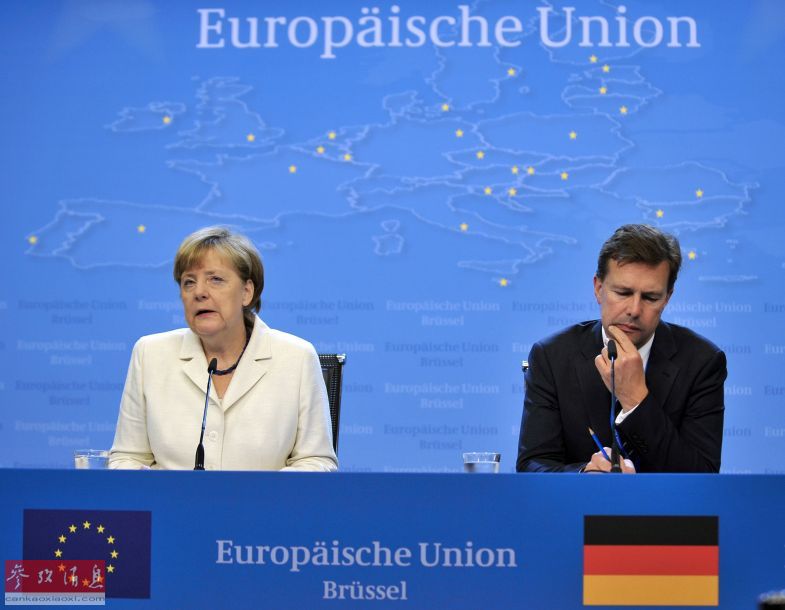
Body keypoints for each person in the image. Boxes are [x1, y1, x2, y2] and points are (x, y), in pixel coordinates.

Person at [109, 226, 338, 471]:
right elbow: (127, 458)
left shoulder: (296, 358)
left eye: (215, 279)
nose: (199, 292)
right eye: (189, 282)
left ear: (246, 292)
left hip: (264, 497)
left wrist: (264, 492)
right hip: (170, 497)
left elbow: (316, 462)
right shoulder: (150, 354)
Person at [516, 224, 726, 473]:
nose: (634, 310)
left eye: (650, 297)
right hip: (579, 499)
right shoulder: (552, 356)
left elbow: (702, 477)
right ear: (598, 289)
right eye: (623, 293)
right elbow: (533, 465)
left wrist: (636, 399)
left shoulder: (702, 362)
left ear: (667, 298)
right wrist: (584, 475)